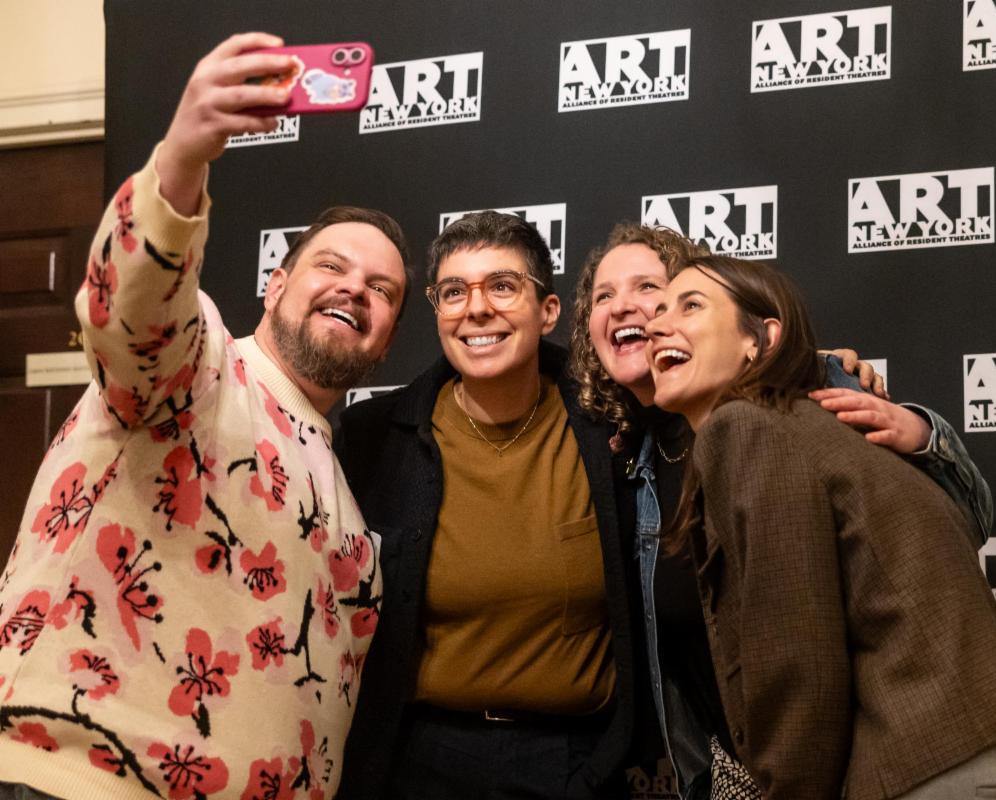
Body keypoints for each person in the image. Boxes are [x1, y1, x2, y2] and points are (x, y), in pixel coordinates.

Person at [0, 33, 410, 800]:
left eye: (383, 290)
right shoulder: (199, 366)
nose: (357, 289)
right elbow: (130, 311)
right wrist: (182, 161)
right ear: (275, 284)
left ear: (389, 336)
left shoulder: (348, 503)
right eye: (332, 266)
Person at [567, 223, 996, 799]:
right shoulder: (625, 453)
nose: (629, 309)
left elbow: (952, 523)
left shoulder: (786, 398)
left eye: (655, 292)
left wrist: (925, 434)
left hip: (875, 762)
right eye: (603, 296)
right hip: (738, 766)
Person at [643, 255, 996, 800]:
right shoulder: (804, 424)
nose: (656, 324)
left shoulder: (745, 427)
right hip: (973, 763)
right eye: (658, 312)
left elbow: (797, 659)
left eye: (691, 305)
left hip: (933, 774)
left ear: (762, 340)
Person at [336, 212, 639, 799]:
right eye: (453, 292)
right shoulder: (375, 437)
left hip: (579, 761)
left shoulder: (614, 421)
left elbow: (723, 367)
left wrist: (830, 370)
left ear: (548, 311)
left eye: (501, 286)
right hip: (422, 764)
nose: (476, 309)